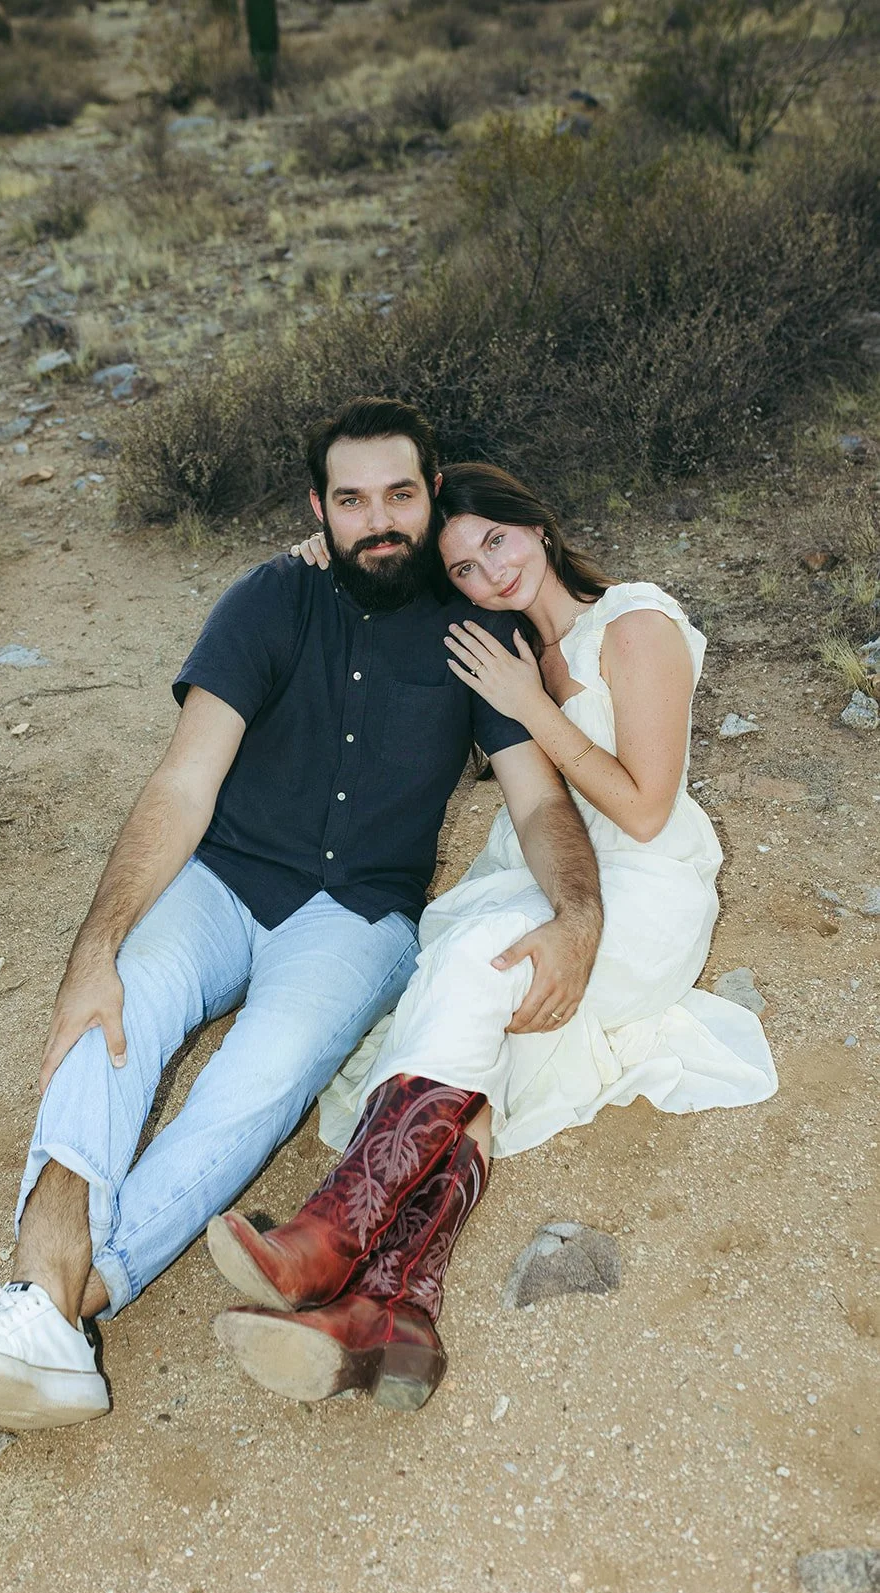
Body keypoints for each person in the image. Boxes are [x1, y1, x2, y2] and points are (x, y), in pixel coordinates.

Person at [0, 403, 604, 1444]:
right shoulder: (269, 596)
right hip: (222, 881)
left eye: (400, 495)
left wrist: (576, 911)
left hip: (354, 919)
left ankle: (43, 1318)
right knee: (111, 1012)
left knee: (251, 1087)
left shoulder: (474, 631)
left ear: (432, 491)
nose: (378, 521)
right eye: (350, 501)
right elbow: (182, 781)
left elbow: (537, 800)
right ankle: (42, 1306)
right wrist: (94, 949)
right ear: (318, 508)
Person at [209, 462, 777, 1411]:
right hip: (537, 876)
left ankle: (332, 1237)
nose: (488, 573)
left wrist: (531, 707)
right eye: (463, 567)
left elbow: (642, 810)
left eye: (496, 543)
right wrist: (317, 557)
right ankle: (392, 1317)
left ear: (537, 526)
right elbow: (381, 590)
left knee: (480, 970)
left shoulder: (634, 625)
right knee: (476, 1026)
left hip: (644, 892)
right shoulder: (501, 643)